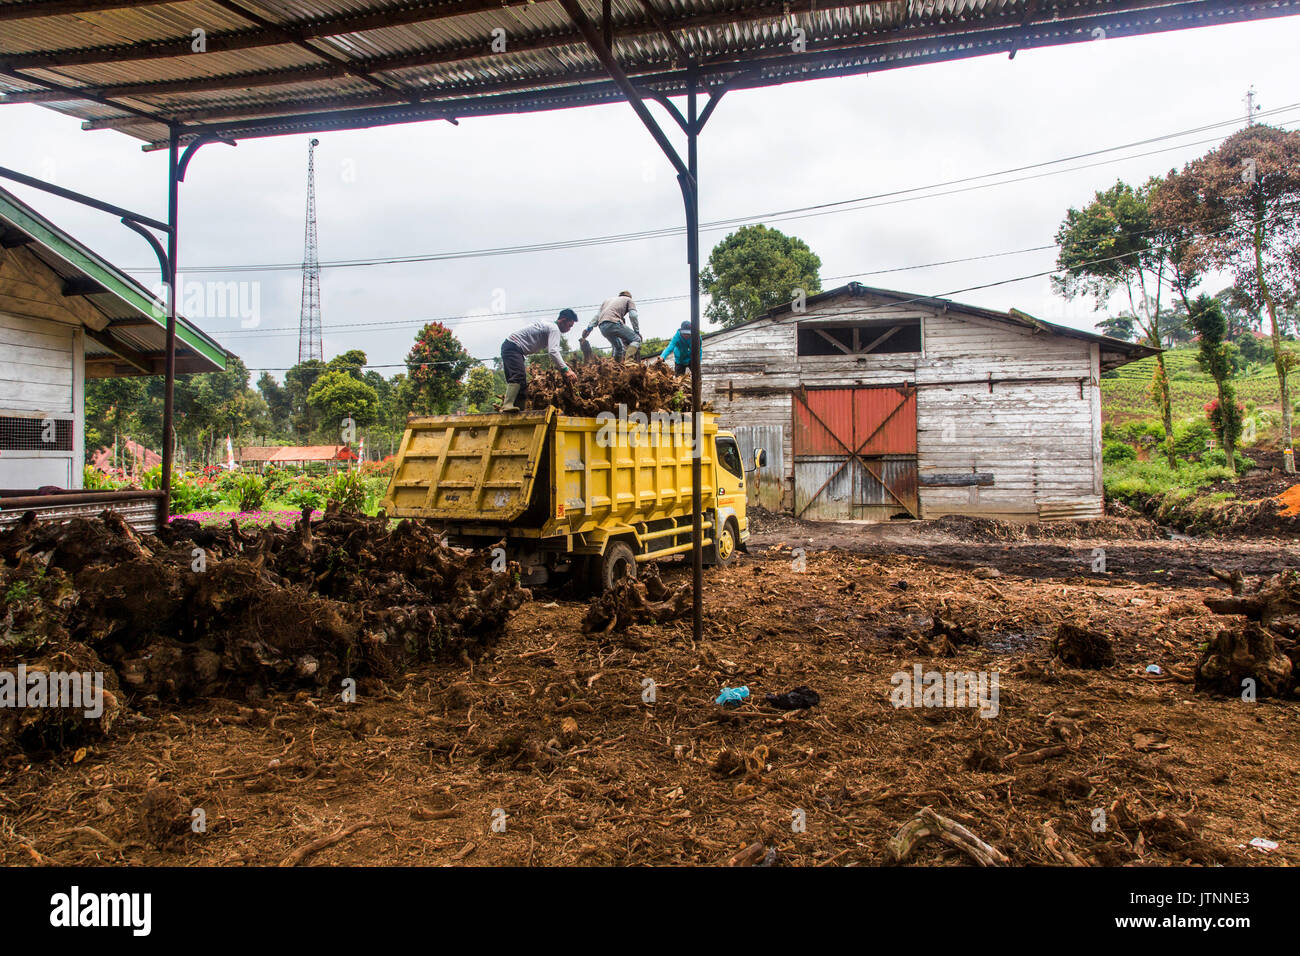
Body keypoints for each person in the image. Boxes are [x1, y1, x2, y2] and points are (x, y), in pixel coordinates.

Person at [500, 309, 578, 411]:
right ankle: (507, 405)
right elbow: (553, 352)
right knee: (518, 376)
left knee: (522, 383)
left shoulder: (548, 324)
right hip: (514, 347)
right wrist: (566, 370)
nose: (569, 329)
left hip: (512, 347)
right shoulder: (554, 328)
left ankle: (518, 410)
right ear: (562, 320)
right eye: (569, 325)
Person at [580, 290, 641, 361]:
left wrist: (588, 329)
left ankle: (615, 366)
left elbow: (597, 316)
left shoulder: (607, 301)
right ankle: (629, 362)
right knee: (636, 339)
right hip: (614, 323)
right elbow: (633, 315)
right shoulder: (629, 300)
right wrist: (636, 332)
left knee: (619, 347)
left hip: (602, 327)